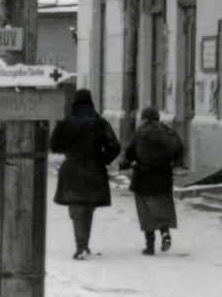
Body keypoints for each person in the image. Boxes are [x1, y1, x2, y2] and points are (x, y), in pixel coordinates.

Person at [50, 89, 121, 260]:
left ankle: (81, 245)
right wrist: (103, 159)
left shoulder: (67, 121)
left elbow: (54, 145)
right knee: (87, 207)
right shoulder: (100, 122)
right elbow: (115, 146)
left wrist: (68, 148)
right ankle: (83, 244)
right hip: (94, 169)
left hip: (72, 167)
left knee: (76, 206)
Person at [118, 106, 183, 255]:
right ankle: (165, 231)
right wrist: (174, 163)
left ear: (144, 118)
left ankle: (150, 246)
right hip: (163, 176)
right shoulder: (166, 131)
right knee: (163, 205)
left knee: (145, 210)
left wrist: (124, 164)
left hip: (143, 177)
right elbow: (178, 147)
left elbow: (130, 153)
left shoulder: (140, 132)